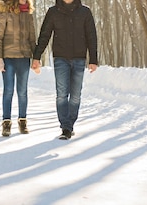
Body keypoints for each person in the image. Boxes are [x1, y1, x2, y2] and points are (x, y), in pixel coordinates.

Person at [31, 0, 98, 140]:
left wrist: (93, 59)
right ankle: (65, 127)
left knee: (75, 96)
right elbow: (45, 35)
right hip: (60, 58)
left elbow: (91, 36)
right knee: (62, 94)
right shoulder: (53, 11)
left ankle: (70, 123)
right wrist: (36, 57)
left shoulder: (85, 12)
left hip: (79, 58)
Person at [0, 0, 38, 137]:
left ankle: (22, 121)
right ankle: (6, 123)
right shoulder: (5, 12)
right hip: (8, 57)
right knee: (8, 90)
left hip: (24, 57)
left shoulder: (28, 14)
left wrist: (36, 58)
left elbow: (32, 39)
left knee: (22, 91)